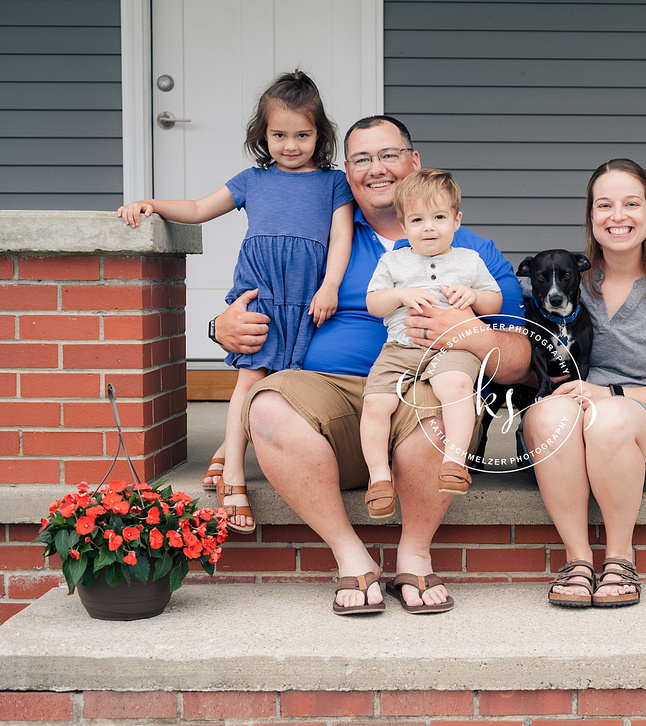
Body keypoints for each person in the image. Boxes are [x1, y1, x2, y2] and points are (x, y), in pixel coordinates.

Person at [210, 116, 529, 614]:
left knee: (445, 407)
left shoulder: (472, 252)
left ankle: (414, 553)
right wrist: (221, 326)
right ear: (346, 172)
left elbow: (519, 360)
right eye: (361, 159)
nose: (375, 169)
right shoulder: (325, 238)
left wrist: (465, 330)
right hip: (330, 393)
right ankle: (349, 554)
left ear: (413, 162)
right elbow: (265, 298)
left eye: (388, 155)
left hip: (422, 386)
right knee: (268, 407)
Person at [118, 70, 353, 534]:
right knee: (252, 376)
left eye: (303, 134)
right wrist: (152, 203)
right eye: (279, 134)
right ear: (263, 134)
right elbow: (201, 209)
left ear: (320, 134)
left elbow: (342, 238)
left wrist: (329, 287)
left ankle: (229, 447)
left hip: (308, 298)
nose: (290, 145)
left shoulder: (334, 183)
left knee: (293, 380)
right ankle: (234, 474)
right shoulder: (252, 180)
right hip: (262, 293)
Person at [519, 158, 646, 608]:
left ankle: (620, 558)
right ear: (591, 217)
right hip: (564, 433)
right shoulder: (560, 281)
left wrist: (607, 393)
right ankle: (578, 560)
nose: (617, 216)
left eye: (631, 204)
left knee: (608, 418)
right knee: (549, 413)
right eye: (604, 205)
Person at [362, 168, 502, 518]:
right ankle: (379, 477)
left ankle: (454, 462)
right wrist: (398, 293)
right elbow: (373, 303)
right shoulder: (392, 261)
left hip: (453, 348)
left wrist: (472, 294)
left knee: (454, 385)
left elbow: (494, 301)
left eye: (439, 217)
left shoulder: (469, 259)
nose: (428, 227)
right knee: (376, 402)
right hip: (400, 349)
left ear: (456, 221)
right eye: (418, 219)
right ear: (403, 225)